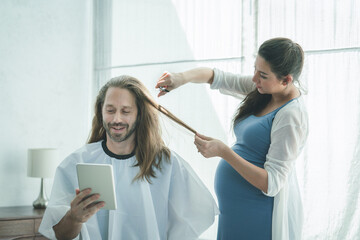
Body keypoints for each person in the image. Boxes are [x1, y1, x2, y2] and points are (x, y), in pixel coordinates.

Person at [156, 37, 308, 240]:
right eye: (255, 69)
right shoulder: (265, 90)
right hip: (235, 211)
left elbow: (272, 183)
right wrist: (180, 78)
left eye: (262, 75)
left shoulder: (291, 116)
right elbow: (215, 76)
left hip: (257, 214)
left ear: (286, 80)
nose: (254, 79)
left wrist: (224, 152)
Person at [39, 75, 219, 239]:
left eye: (125, 111)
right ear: (100, 111)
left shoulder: (166, 163)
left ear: (140, 114)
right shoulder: (77, 162)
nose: (117, 119)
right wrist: (74, 218)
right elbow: (58, 234)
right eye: (110, 110)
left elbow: (198, 214)